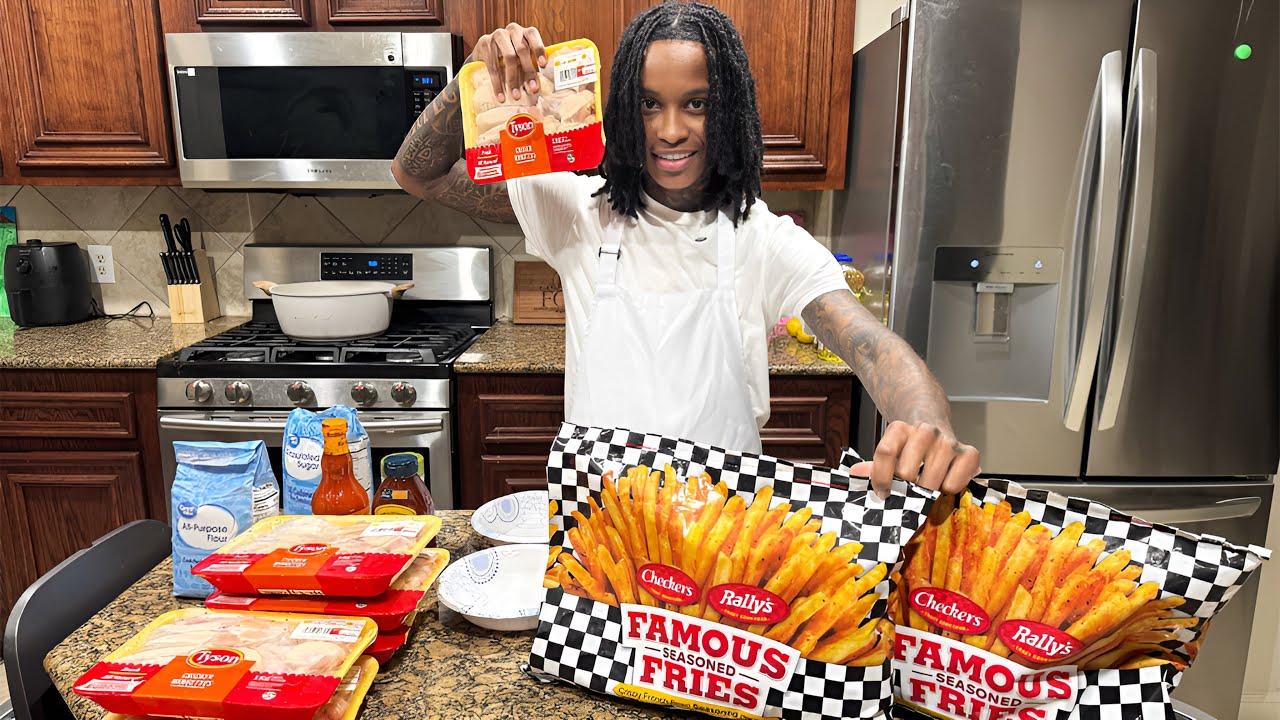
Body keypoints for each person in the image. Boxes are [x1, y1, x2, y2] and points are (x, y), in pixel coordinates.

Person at [392, 1, 979, 494]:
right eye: (650, 103)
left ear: (728, 112)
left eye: (695, 103)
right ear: (624, 108)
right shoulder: (578, 213)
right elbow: (417, 173)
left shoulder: (761, 238)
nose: (671, 130)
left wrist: (926, 419)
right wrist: (474, 75)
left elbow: (868, 344)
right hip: (601, 532)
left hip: (721, 536)